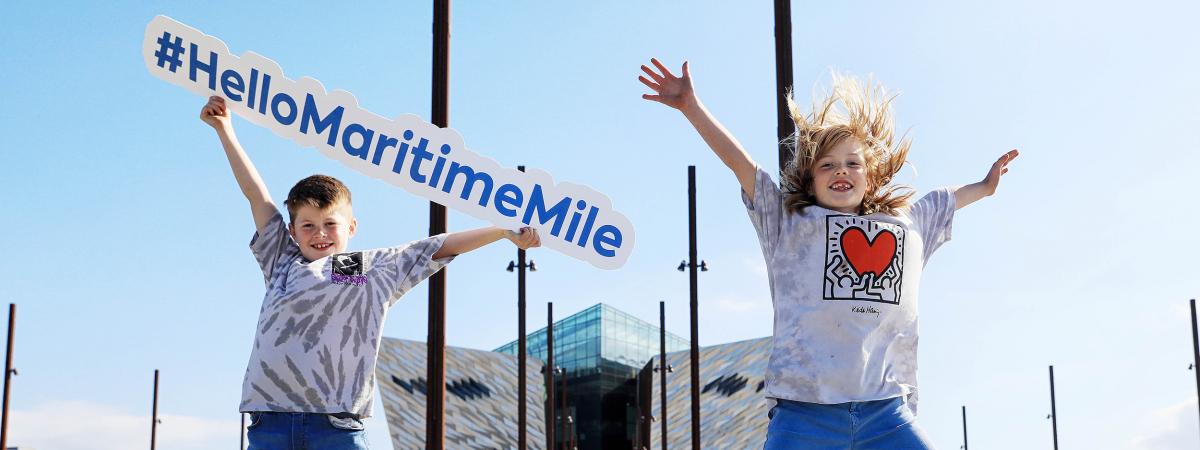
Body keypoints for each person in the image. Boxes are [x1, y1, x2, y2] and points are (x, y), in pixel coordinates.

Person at [640, 58, 1017, 449]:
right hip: (804, 413)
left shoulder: (904, 225)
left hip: (885, 412)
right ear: (811, 177)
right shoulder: (788, 222)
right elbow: (742, 166)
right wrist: (691, 107)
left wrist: (985, 187)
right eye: (828, 165)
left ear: (869, 175)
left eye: (853, 163)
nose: (841, 171)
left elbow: (947, 199)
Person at [199, 95, 541, 450]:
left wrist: (501, 232)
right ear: (291, 230)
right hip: (270, 421)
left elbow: (439, 246)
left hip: (335, 426)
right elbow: (258, 198)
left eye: (330, 224)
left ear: (351, 227)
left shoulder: (366, 268)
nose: (319, 234)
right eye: (308, 225)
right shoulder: (281, 262)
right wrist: (225, 130)